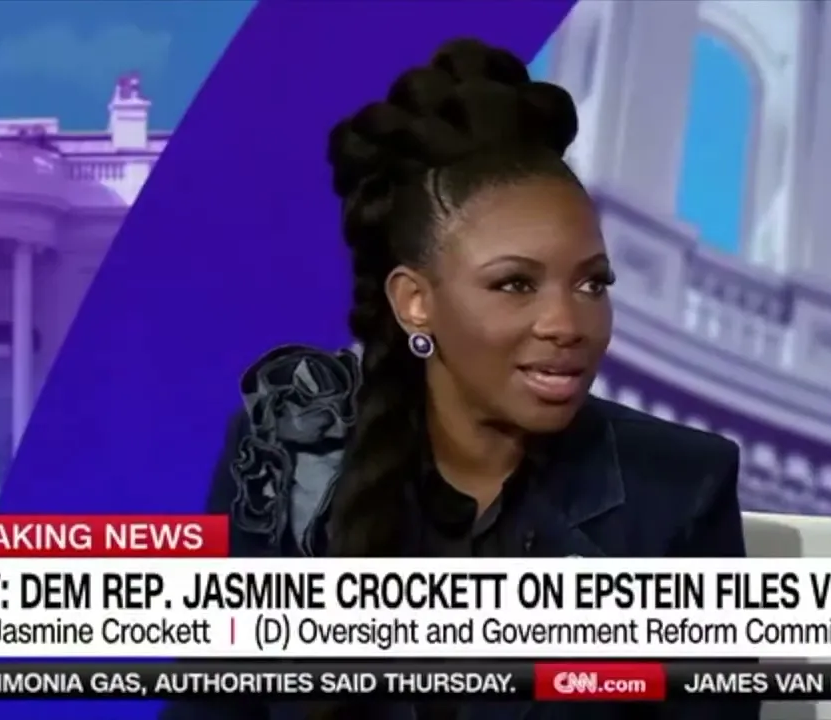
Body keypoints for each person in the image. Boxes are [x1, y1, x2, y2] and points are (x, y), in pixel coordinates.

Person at [162, 38, 759, 720]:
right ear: (415, 301)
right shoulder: (287, 452)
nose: (569, 323)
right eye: (515, 284)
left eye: (592, 283)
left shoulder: (679, 489)